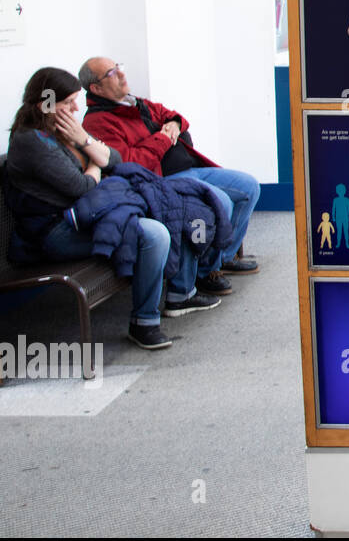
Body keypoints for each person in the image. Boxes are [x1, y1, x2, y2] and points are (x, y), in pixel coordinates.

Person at [4, 68, 196, 350]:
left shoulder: (62, 131)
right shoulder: (32, 141)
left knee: (165, 212)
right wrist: (95, 162)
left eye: (75, 100)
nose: (74, 108)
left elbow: (115, 160)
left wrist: (84, 140)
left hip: (83, 218)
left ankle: (174, 297)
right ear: (43, 103)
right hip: (51, 232)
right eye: (67, 102)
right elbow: (82, 187)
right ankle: (145, 322)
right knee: (153, 235)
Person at [77, 58, 260, 296]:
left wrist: (173, 123)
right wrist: (163, 138)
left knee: (250, 188)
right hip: (159, 181)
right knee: (220, 201)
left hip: (190, 168)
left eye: (119, 67)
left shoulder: (134, 102)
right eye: (112, 73)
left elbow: (173, 116)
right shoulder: (97, 122)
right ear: (96, 88)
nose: (121, 74)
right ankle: (206, 272)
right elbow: (131, 162)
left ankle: (221, 259)